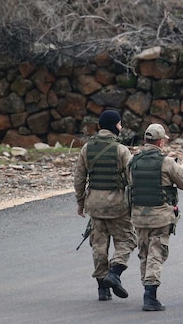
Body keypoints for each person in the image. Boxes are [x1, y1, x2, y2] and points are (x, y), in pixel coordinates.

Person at [73, 109, 137, 301]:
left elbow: (79, 178)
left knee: (99, 245)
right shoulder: (121, 150)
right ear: (114, 126)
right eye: (119, 124)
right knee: (127, 240)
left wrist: (80, 203)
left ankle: (102, 288)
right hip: (117, 205)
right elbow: (132, 178)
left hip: (94, 204)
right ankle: (114, 272)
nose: (121, 127)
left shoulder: (87, 148)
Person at [127, 123, 183, 311]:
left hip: (139, 216)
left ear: (145, 140)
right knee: (156, 253)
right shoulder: (167, 162)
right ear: (160, 142)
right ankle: (150, 295)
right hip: (161, 215)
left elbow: (130, 183)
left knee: (144, 253)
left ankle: (147, 290)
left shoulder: (133, 160)